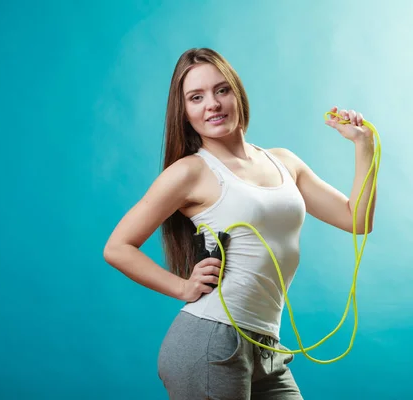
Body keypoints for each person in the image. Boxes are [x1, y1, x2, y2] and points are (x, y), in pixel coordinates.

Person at [103, 47, 377, 400]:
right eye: (196, 97)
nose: (212, 104)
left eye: (221, 90)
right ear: (184, 113)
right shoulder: (190, 172)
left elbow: (356, 219)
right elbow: (117, 248)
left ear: (237, 93)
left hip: (267, 348)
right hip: (211, 342)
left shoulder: (283, 161)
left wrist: (363, 144)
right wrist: (183, 288)